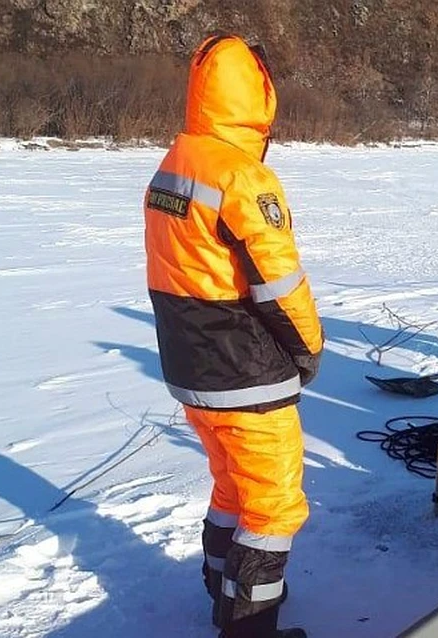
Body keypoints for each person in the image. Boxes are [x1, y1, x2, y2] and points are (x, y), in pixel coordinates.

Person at [144, 34, 322, 638]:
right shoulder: (244, 177)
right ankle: (248, 625)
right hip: (246, 375)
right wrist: (309, 350)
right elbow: (280, 284)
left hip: (192, 372)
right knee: (272, 506)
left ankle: (226, 592)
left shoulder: (175, 163)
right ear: (258, 96)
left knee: (231, 488)